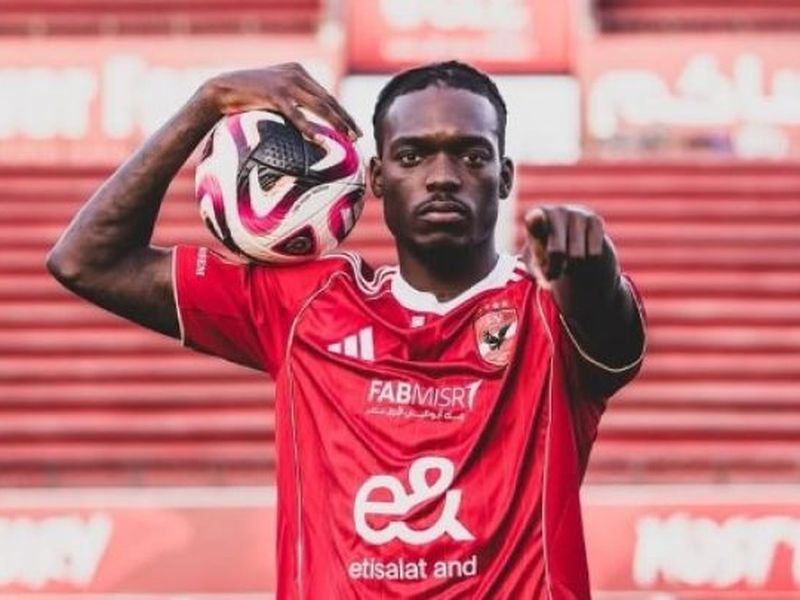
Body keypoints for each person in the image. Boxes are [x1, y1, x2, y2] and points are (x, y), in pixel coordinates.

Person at [47, 60, 645, 599]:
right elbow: (87, 260)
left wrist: (594, 274)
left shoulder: (551, 310)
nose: (442, 176)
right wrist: (206, 103)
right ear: (376, 178)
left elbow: (612, 332)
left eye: (471, 155)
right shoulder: (306, 305)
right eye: (412, 156)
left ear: (504, 176)